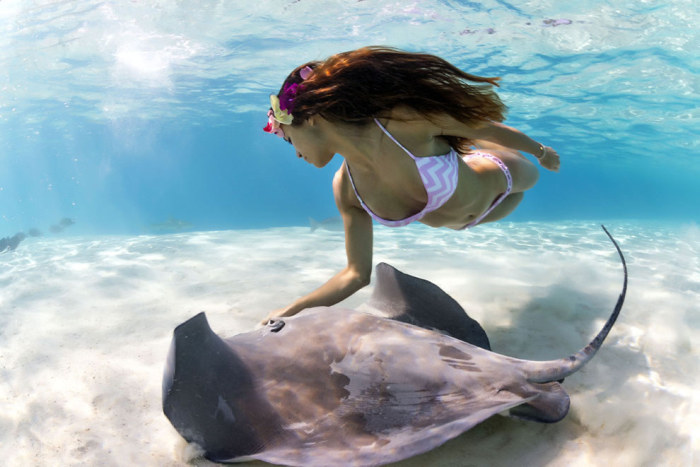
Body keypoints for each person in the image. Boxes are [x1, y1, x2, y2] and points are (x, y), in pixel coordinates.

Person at [261, 46, 560, 324]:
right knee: (459, 143)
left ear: (311, 119)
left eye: (288, 139)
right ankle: (453, 144)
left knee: (521, 168)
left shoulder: (400, 123)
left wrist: (542, 152)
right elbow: (355, 275)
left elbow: (487, 127)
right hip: (472, 219)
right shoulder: (346, 190)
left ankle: (461, 144)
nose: (296, 153)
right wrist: (292, 309)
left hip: (500, 177)